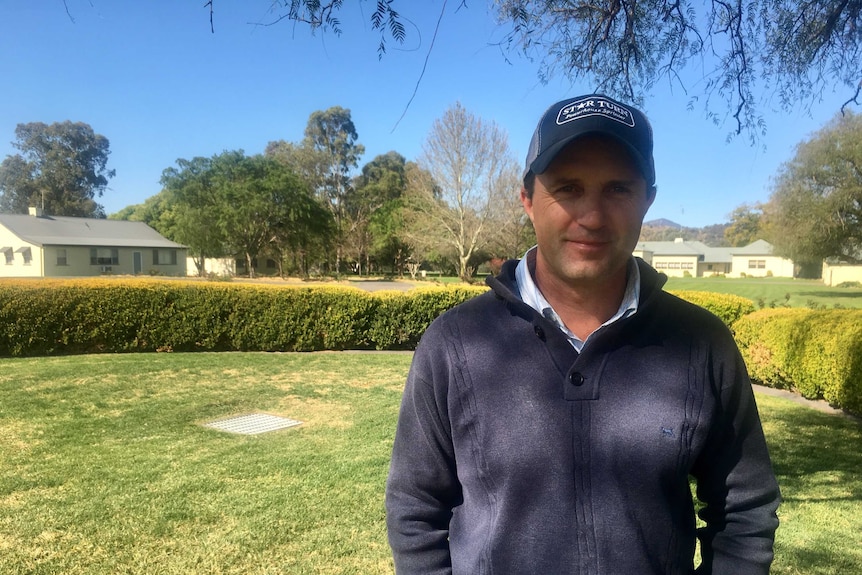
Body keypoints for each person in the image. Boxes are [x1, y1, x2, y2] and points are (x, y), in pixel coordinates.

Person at [385, 94, 781, 575]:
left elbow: (743, 510)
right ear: (527, 199)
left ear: (647, 200)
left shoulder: (701, 344)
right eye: (568, 188)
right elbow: (415, 508)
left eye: (617, 189)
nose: (592, 217)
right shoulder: (453, 344)